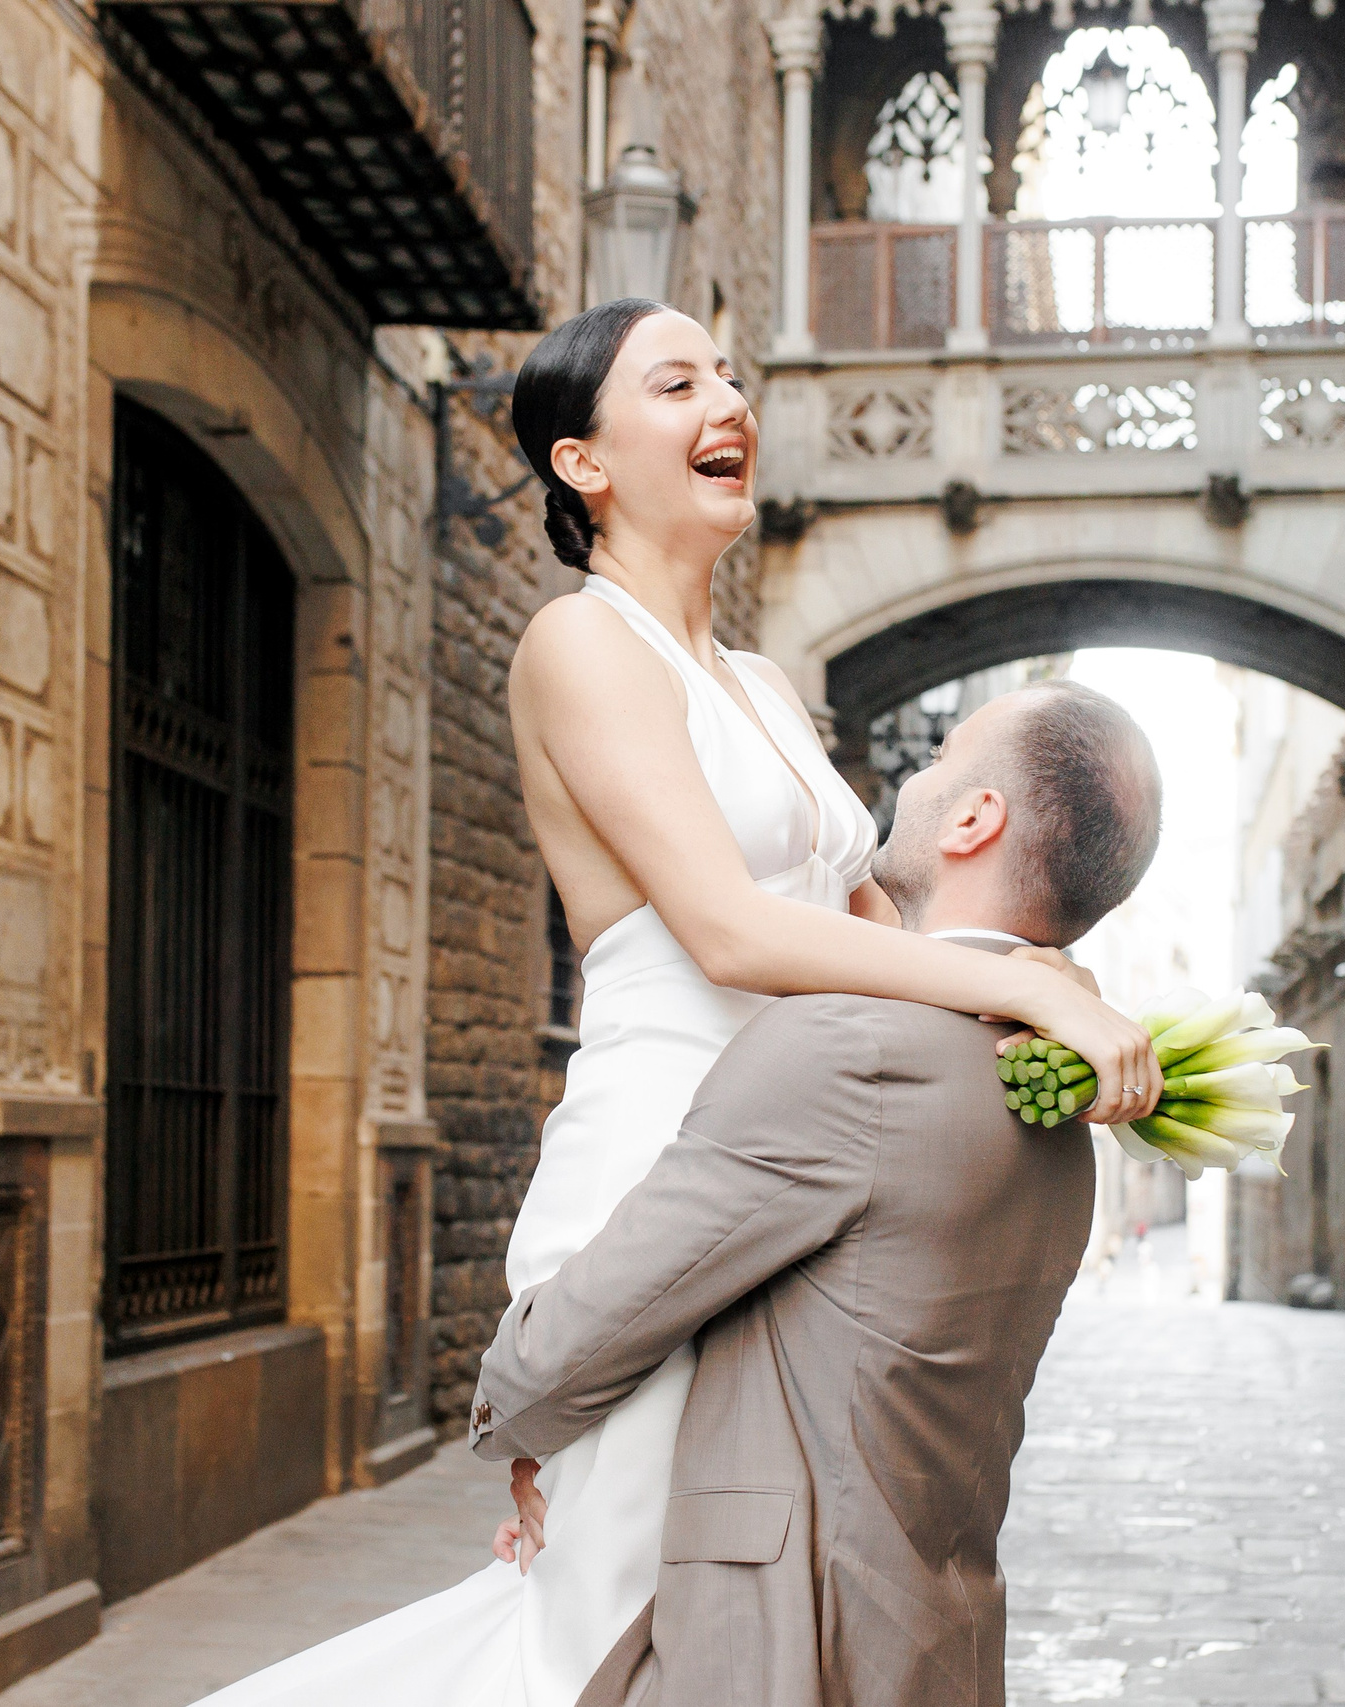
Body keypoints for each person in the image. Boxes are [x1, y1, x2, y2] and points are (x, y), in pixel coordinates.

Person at [195, 299, 1160, 1706]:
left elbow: (861, 925)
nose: (728, 398)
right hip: (662, 1149)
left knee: (709, 1612)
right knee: (609, 1620)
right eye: (678, 379)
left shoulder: (765, 683)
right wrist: (1012, 983)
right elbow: (724, 929)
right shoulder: (578, 648)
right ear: (583, 462)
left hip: (802, 1163)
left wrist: (1033, 974)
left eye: (730, 371)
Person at [471, 679, 1163, 1705]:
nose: (911, 782)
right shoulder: (1058, 1116)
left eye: (938, 765)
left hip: (780, 1648)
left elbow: (584, 1330)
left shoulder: (846, 1048)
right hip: (938, 1641)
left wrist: (508, 1417)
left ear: (976, 819)